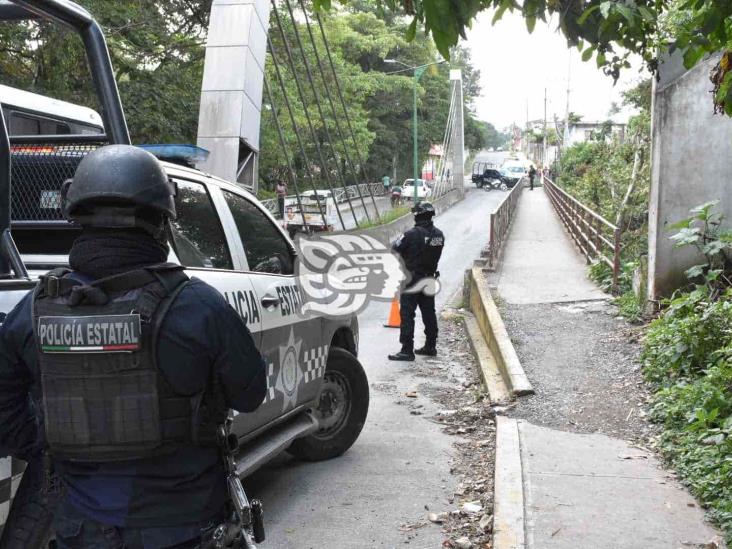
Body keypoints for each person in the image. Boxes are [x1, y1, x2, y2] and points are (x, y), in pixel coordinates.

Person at [0, 145, 267, 548]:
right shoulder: (199, 306)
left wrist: (48, 439)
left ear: (77, 219)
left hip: (80, 529)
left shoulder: (34, 310)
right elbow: (250, 395)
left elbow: (4, 408)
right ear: (161, 224)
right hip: (183, 527)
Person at [388, 201, 445, 361]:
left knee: (407, 314)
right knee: (428, 313)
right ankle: (431, 346)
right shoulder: (439, 235)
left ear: (417, 216)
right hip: (429, 278)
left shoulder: (410, 234)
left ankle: (407, 349)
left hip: (412, 280)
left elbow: (394, 249)